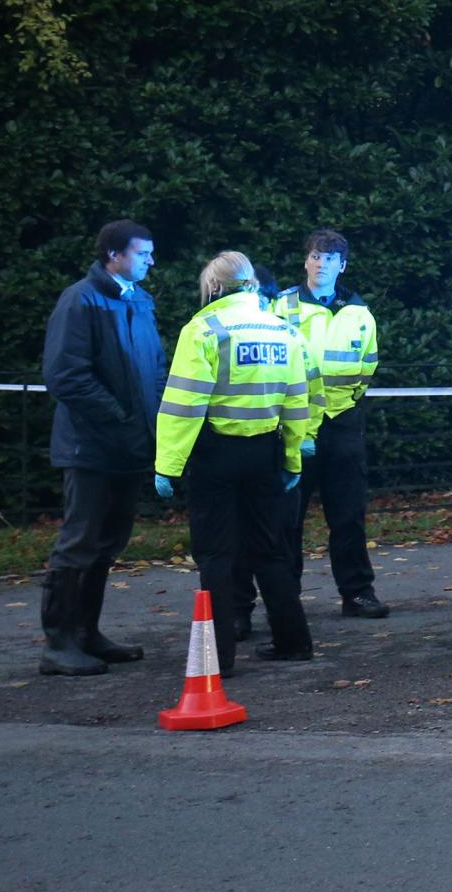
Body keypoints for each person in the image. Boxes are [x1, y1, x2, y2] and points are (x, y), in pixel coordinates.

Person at [155, 251, 320, 676]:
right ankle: (294, 641)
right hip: (266, 453)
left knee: (215, 554)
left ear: (213, 287)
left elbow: (184, 403)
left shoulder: (204, 329)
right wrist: (292, 459)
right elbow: (296, 401)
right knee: (272, 551)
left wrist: (168, 464)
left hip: (216, 455)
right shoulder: (285, 332)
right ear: (251, 285)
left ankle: (219, 657)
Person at [36, 220, 164, 677]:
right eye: (143, 253)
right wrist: (121, 417)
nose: (151, 261)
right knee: (79, 543)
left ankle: (86, 634)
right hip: (90, 448)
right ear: (114, 255)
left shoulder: (139, 302)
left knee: (107, 543)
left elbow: (153, 370)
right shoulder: (80, 300)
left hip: (127, 447)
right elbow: (66, 375)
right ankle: (59, 643)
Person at [259, 228, 385, 622]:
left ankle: (358, 593)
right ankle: (285, 599)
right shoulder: (281, 308)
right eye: (316, 256)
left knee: (348, 514)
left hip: (342, 421)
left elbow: (368, 367)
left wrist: (343, 405)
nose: (321, 263)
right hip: (293, 425)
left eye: (330, 258)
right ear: (306, 261)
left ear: (342, 266)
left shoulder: (360, 314)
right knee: (286, 519)